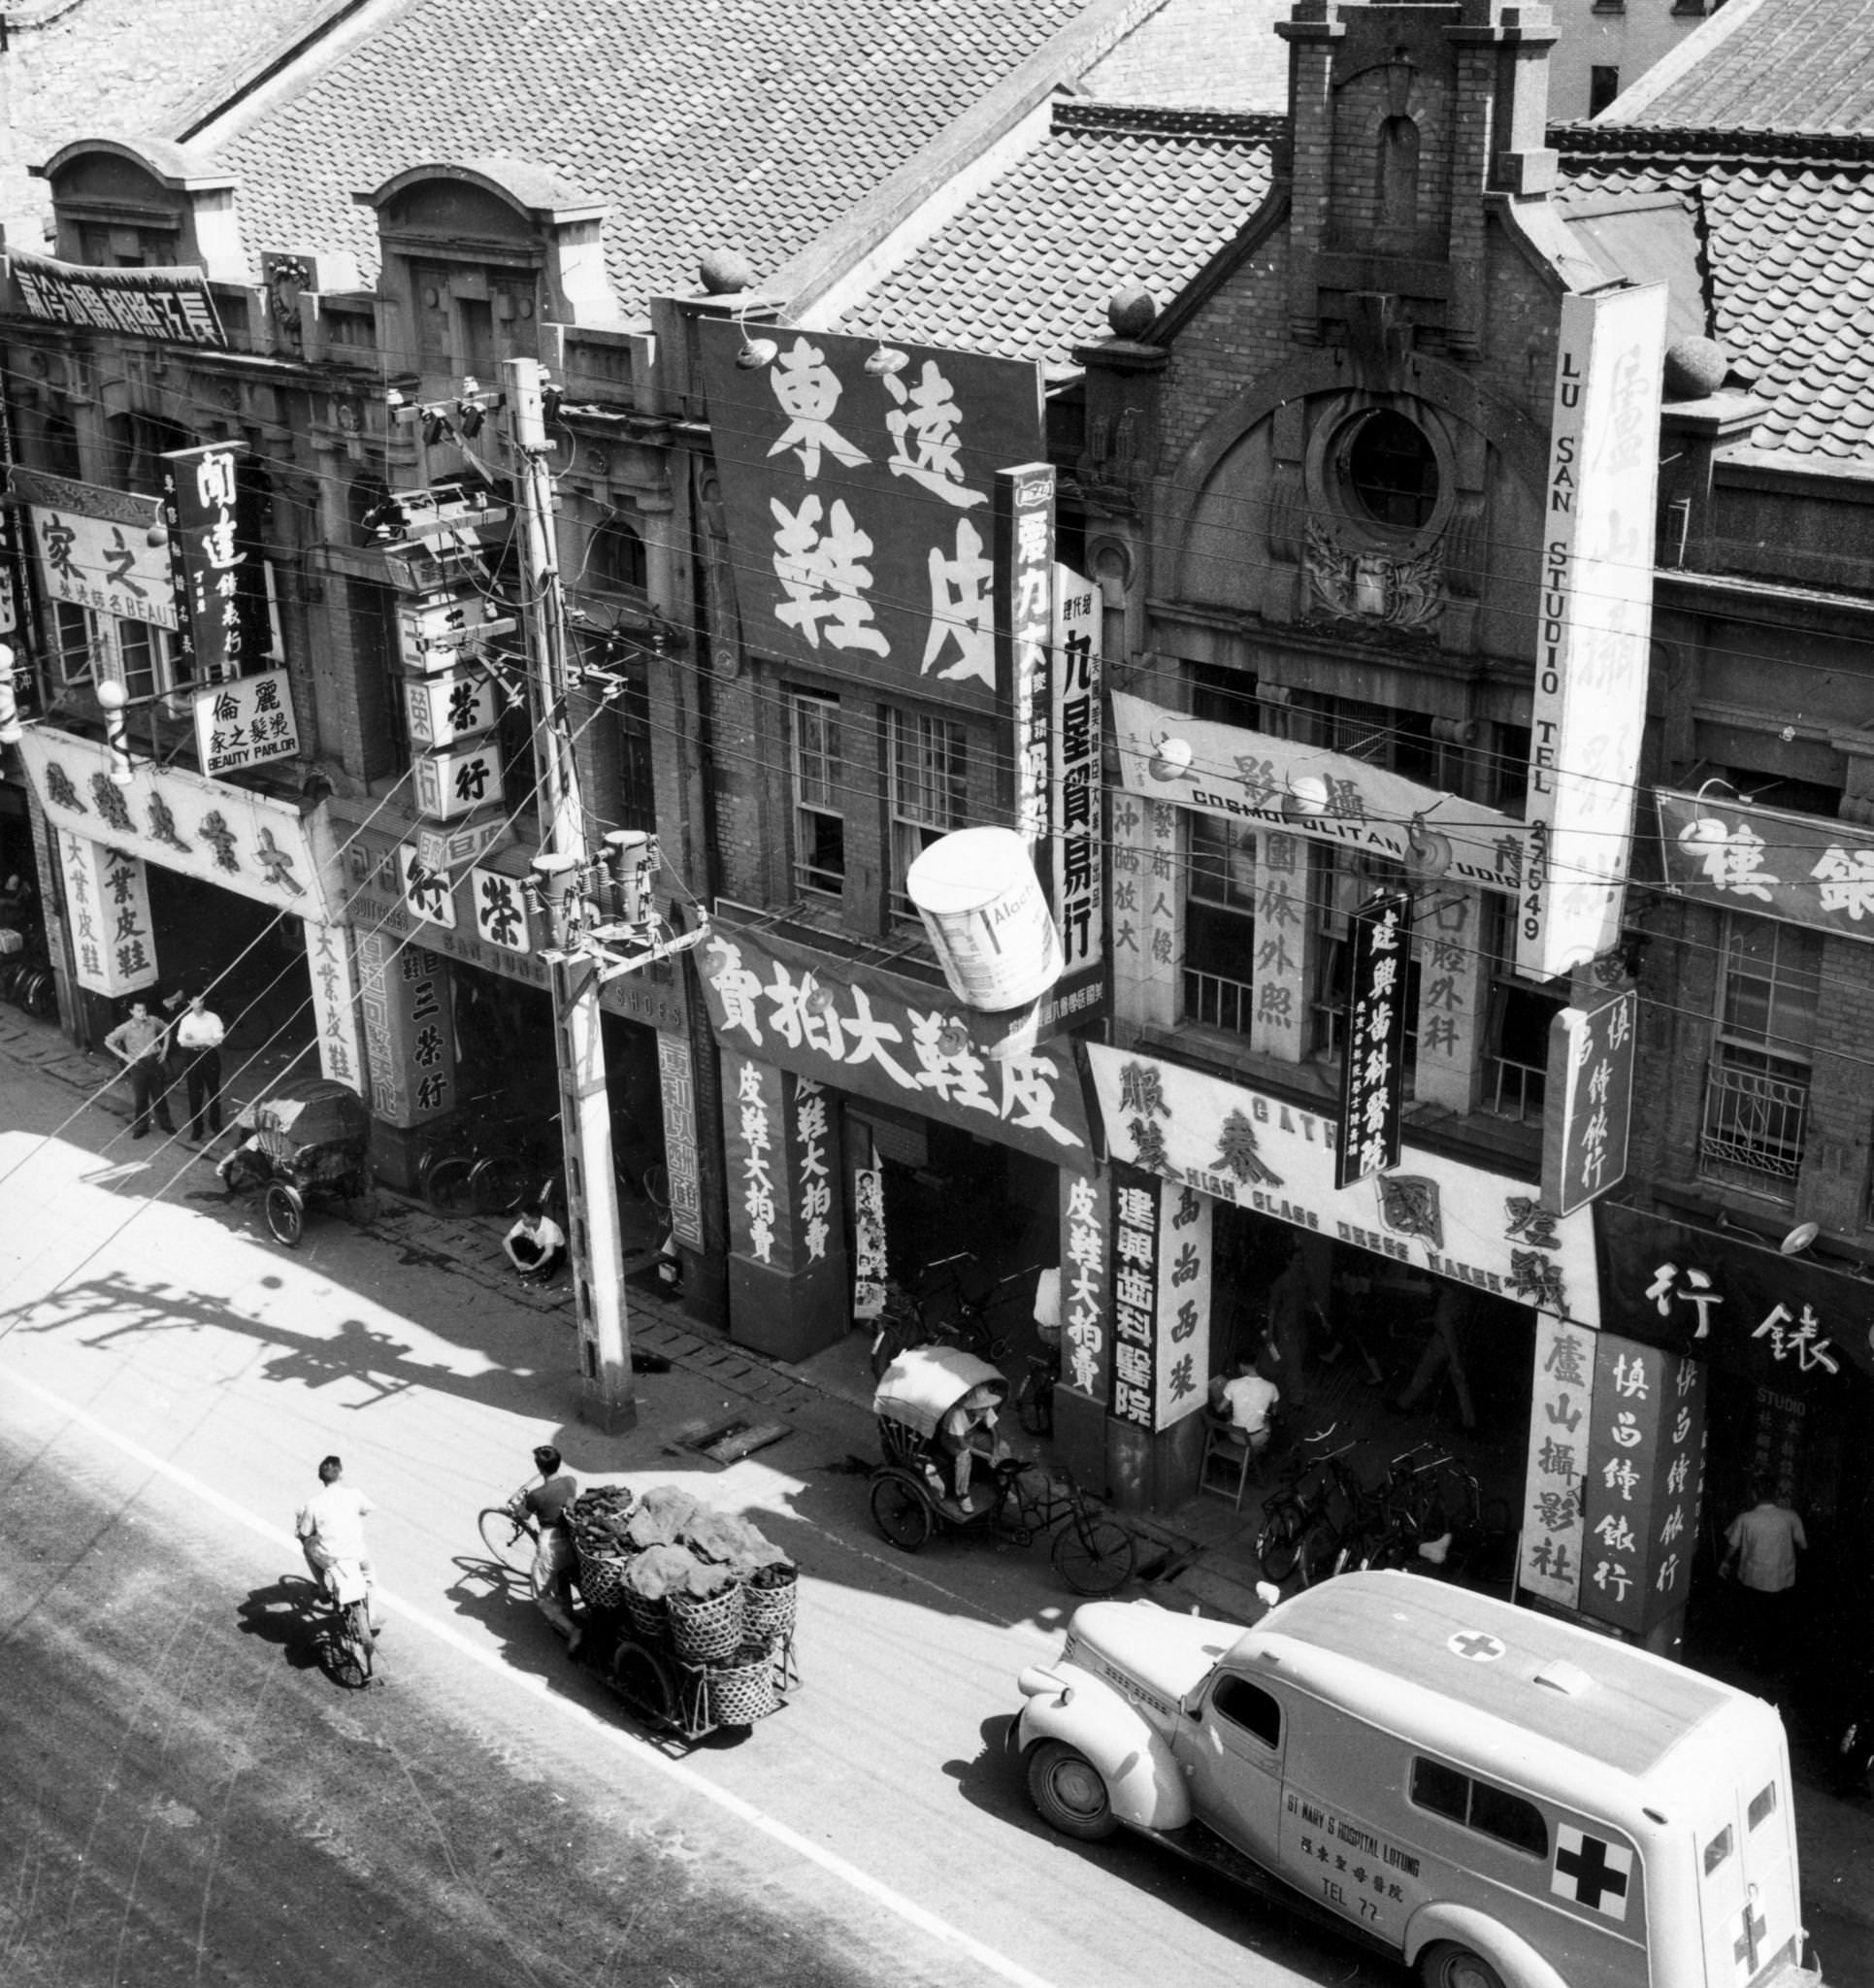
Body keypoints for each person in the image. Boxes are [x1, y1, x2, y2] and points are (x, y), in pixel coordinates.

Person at [1723, 1476, 1807, 1675]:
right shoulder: (1790, 1516)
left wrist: (1725, 1562)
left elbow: (1733, 1546)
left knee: (1754, 1621)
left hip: (1754, 1579)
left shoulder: (1746, 1518)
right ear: (1776, 1495)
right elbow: (1803, 1544)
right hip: (1783, 1579)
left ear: (1754, 1495)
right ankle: (1773, 1661)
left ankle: (1753, 1661)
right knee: (1776, 1620)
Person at [507, 1444, 582, 1656]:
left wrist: (518, 1506)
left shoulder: (535, 1496)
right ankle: (566, 1604)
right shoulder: (570, 1482)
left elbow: (522, 1515)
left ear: (539, 1467)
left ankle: (573, 1630)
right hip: (572, 1538)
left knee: (539, 1595)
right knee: (564, 1573)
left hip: (552, 1542)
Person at [295, 1454, 382, 1633]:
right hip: (357, 1554)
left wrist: (301, 1525)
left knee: (307, 1549)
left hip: (330, 1557)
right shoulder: (354, 1494)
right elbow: (368, 1509)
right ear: (341, 1473)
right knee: (370, 1575)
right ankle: (372, 1617)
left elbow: (304, 1533)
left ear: (321, 1478)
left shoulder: (313, 1504)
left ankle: (322, 1588)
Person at [1388, 1285, 1477, 1431]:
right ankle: (1470, 1422)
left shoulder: (1445, 1299)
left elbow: (1447, 1329)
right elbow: (1443, 1320)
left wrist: (1454, 1359)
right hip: (1457, 1341)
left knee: (1423, 1373)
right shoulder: (1462, 1297)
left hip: (1443, 1342)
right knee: (1460, 1383)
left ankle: (1403, 1404)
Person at [104, 996, 177, 1140]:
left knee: (159, 1095)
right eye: (138, 1011)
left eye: (143, 1010)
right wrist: (125, 1057)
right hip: (138, 1065)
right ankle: (141, 1127)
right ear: (131, 1011)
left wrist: (164, 1049)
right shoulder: (126, 1028)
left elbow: (167, 1029)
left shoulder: (153, 1021)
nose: (142, 1013)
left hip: (154, 1062)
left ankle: (166, 1124)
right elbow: (108, 1041)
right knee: (141, 1097)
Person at [172, 987, 226, 1145]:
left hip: (209, 1056)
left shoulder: (213, 1018)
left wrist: (196, 1041)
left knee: (214, 1091)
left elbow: (219, 1037)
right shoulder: (186, 1020)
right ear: (190, 1003)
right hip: (193, 1055)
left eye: (201, 1000)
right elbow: (182, 1041)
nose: (199, 1004)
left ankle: (215, 1124)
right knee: (195, 1094)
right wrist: (202, 1041)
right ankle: (197, 1128)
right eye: (195, 1001)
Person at [1207, 1356, 1280, 1459]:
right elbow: (1274, 1411)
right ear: (1256, 1364)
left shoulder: (1232, 1384)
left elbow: (1219, 1410)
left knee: (1232, 1418)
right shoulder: (1272, 1387)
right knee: (1267, 1421)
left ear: (1241, 1366)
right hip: (1256, 1440)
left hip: (1235, 1436)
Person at [503, 1203, 567, 1282]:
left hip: (557, 1252)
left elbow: (549, 1252)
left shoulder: (550, 1227)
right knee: (515, 1241)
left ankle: (546, 1270)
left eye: (525, 1218)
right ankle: (535, 1264)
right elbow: (506, 1241)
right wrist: (516, 1262)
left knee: (552, 1256)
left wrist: (534, 1267)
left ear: (535, 1220)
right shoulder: (524, 1223)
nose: (522, 1220)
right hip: (539, 1247)